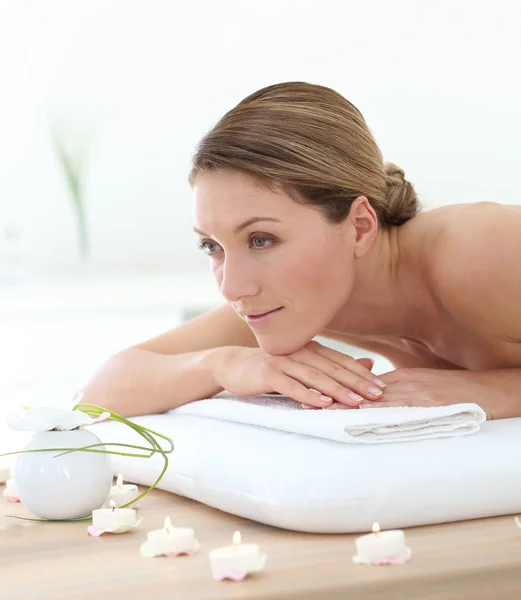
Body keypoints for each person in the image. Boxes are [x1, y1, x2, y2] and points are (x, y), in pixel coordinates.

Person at [80, 81, 521, 420]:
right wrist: (222, 365)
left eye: (262, 240)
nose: (233, 287)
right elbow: (98, 393)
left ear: (361, 226)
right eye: (212, 246)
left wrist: (491, 391)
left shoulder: (478, 249)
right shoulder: (303, 300)